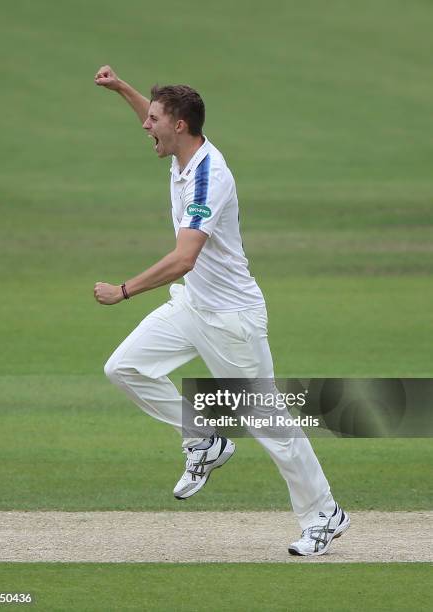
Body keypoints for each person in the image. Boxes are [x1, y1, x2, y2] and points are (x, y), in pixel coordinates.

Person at [93, 65, 350, 556]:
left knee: (270, 426)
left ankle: (324, 514)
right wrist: (123, 88)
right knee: (125, 368)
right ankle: (205, 441)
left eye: (154, 120)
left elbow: (183, 258)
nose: (146, 126)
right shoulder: (182, 154)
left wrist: (123, 291)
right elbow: (156, 123)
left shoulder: (209, 177)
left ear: (180, 126)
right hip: (192, 303)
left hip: (231, 319)